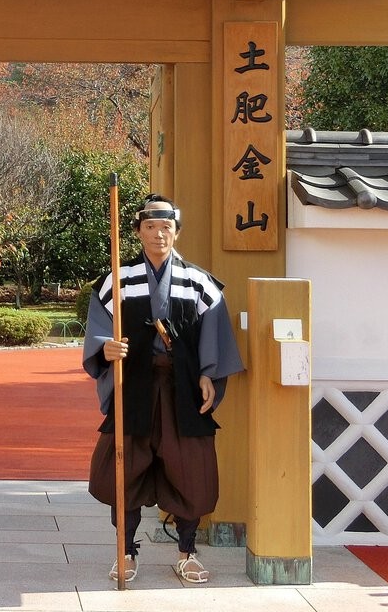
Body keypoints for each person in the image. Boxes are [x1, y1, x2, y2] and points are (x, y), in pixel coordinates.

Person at [82, 193, 244, 584]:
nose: (158, 234)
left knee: (191, 468)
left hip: (182, 387)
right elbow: (100, 333)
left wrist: (208, 374)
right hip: (133, 384)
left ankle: (187, 552)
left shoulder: (199, 283)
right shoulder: (117, 280)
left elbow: (213, 335)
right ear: (138, 231)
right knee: (125, 466)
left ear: (177, 232)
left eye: (166, 227)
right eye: (150, 227)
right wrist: (106, 348)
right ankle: (125, 552)